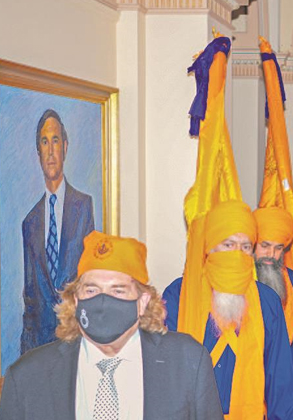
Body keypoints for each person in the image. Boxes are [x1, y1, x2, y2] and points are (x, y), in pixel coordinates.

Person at [0, 231, 224, 420]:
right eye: (92, 290)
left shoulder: (188, 362)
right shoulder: (26, 377)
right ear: (76, 300)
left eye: (118, 290)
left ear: (143, 301)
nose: (103, 302)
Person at [163, 200, 293, 420]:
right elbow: (163, 371)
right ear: (210, 247)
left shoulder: (267, 300)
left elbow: (280, 378)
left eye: (245, 247)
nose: (237, 254)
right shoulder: (179, 295)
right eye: (228, 245)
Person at [21, 109, 95, 353]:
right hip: (41, 351)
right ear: (38, 153)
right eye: (44, 142)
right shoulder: (30, 223)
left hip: (78, 344)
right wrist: (25, 362)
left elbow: (91, 281)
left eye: (55, 140)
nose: (50, 150)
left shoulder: (83, 207)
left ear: (65, 146)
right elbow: (31, 299)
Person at [253, 206, 293, 377]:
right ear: (252, 244)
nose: (271, 254)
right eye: (265, 246)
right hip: (246, 377)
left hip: (286, 372)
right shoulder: (239, 280)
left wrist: (287, 366)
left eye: (278, 248)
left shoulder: (292, 280)